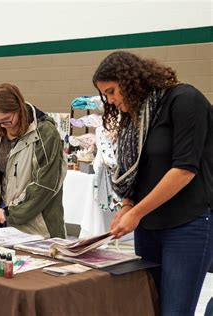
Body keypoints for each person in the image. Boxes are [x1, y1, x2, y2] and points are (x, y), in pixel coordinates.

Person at [93, 51, 213, 316]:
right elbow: (135, 170)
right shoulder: (137, 114)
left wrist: (135, 212)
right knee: (148, 307)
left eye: (112, 92)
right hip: (149, 226)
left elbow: (183, 170)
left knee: (174, 310)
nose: (111, 100)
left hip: (187, 225)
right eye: (106, 96)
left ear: (131, 80)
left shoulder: (184, 100)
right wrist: (127, 205)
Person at [0, 83, 66, 238]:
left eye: (7, 120)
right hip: (4, 228)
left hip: (40, 229)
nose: (3, 125)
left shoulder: (45, 133)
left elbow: (44, 185)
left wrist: (11, 213)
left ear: (19, 109)